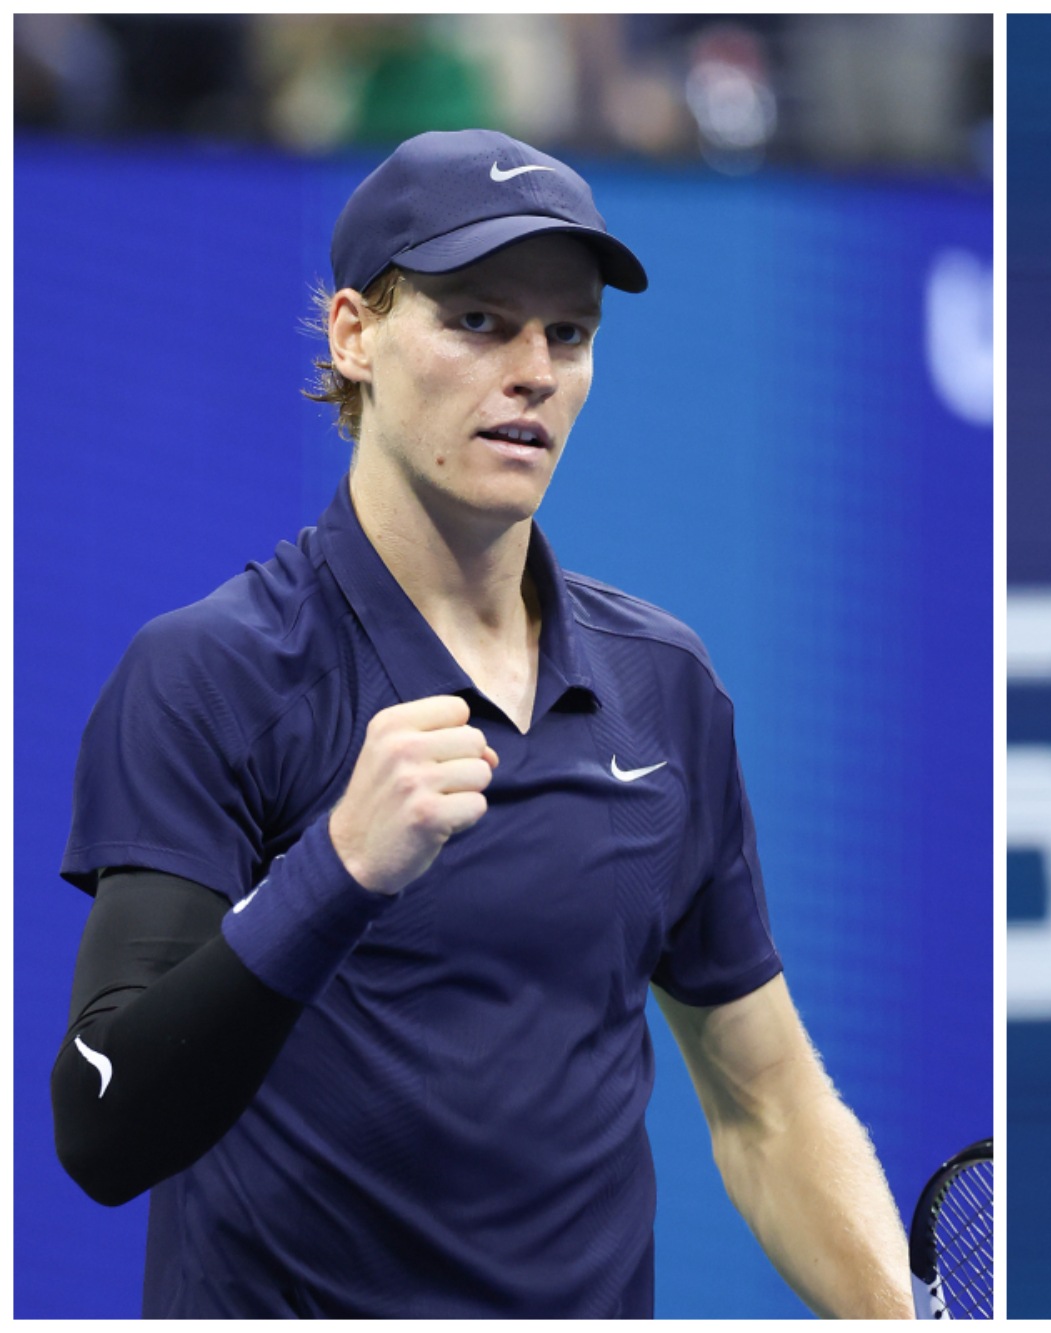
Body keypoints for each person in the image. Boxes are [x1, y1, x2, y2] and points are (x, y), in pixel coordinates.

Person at [52, 128, 914, 1319]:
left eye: (567, 334)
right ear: (353, 334)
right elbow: (101, 1129)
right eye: (476, 321)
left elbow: (767, 1105)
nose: (533, 372)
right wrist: (335, 872)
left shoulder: (663, 686)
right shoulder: (209, 673)